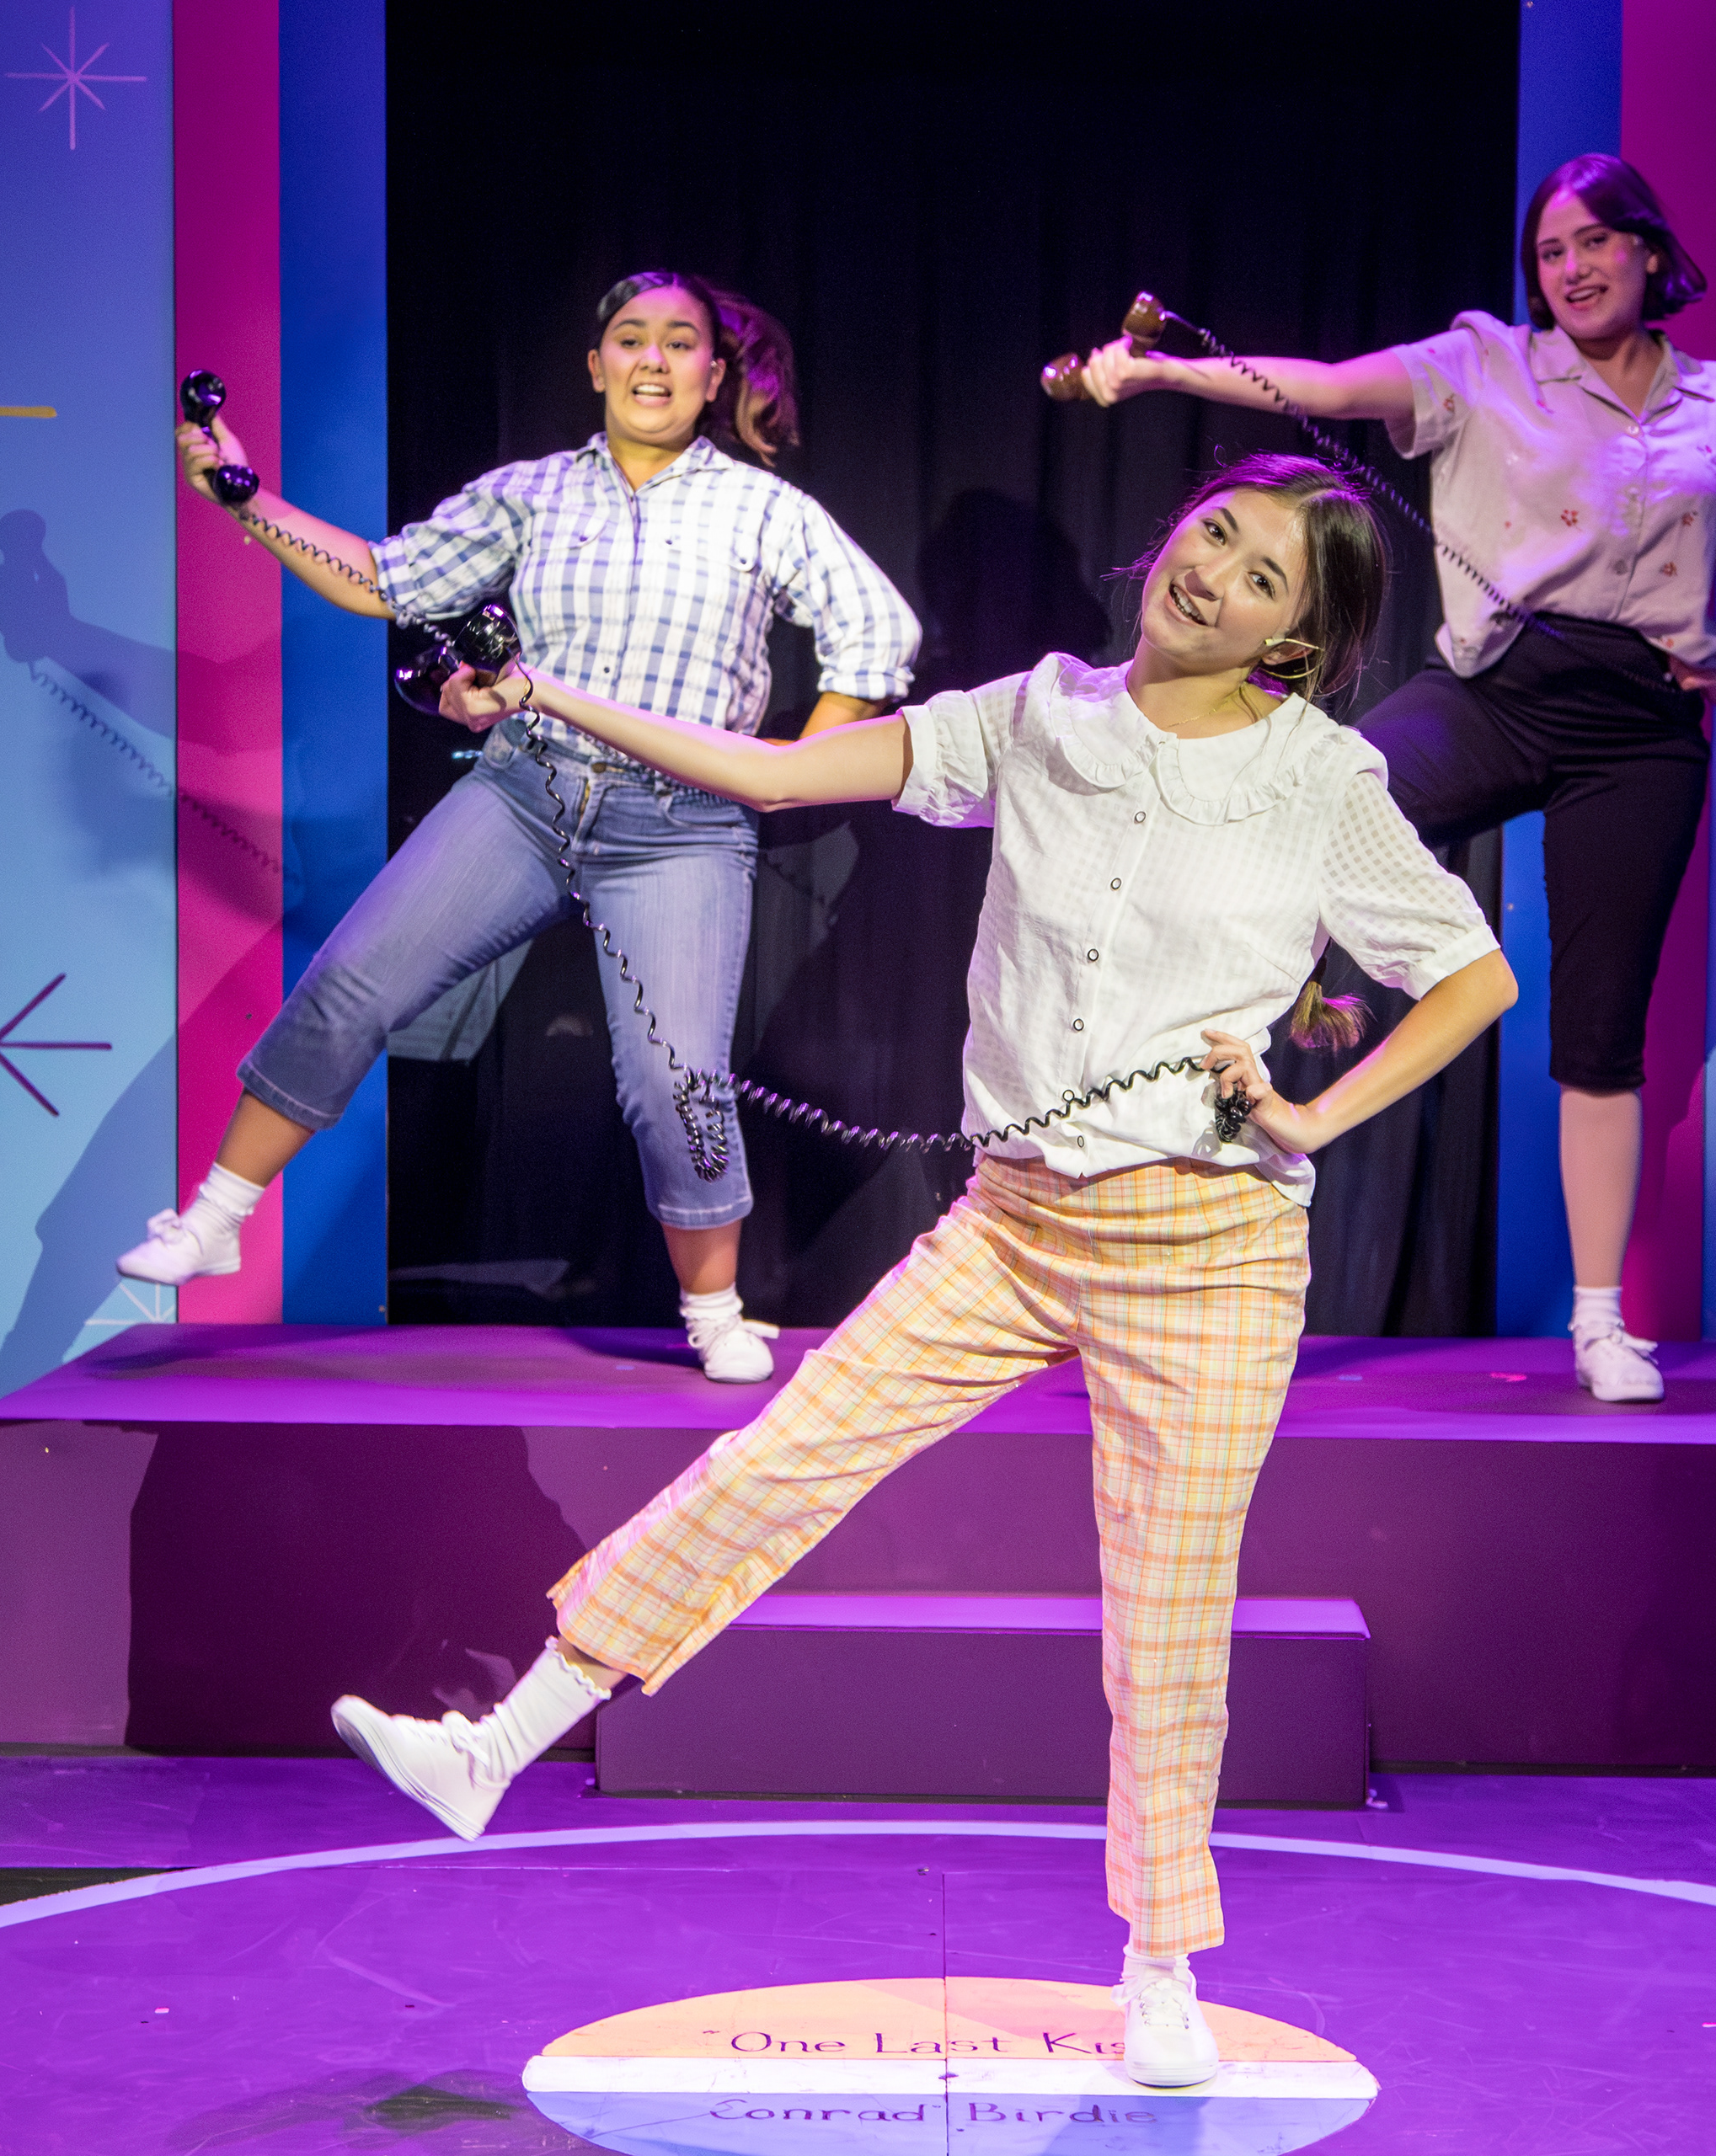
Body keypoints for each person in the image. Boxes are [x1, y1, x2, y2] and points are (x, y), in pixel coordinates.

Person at [333, 453, 1518, 2089]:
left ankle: (1161, 1963)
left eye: (1266, 579)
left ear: (1294, 640)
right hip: (1014, 1223)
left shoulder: (1322, 779)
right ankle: (496, 1744)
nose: (1217, 575)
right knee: (775, 1466)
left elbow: (1469, 976)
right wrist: (540, 692)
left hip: (1212, 1247)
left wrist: (1313, 1111)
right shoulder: (1035, 714)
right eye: (1216, 534)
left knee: (1168, 1614)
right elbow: (769, 775)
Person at [1067, 153, 1716, 1403]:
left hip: (1641, 727)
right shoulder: (1486, 362)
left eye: (1595, 241)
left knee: (1602, 1027)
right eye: (1551, 251)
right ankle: (1162, 1185)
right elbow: (1323, 384)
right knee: (1299, 809)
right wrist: (1166, 370)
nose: (1573, 268)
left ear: (1651, 252)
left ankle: (1601, 1324)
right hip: (1493, 689)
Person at [121, 271, 921, 1382]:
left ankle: (713, 1311)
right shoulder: (530, 493)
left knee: (674, 1084)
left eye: (679, 342)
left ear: (712, 375)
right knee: (351, 983)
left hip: (681, 826)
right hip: (524, 796)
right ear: (596, 366)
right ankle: (215, 1219)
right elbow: (381, 580)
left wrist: (789, 771)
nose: (652, 359)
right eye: (629, 339)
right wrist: (243, 499)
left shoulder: (763, 510)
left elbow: (877, 634)